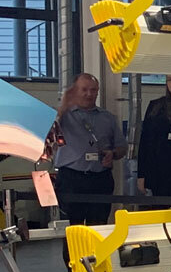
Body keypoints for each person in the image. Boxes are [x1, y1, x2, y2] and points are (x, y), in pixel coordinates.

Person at [48, 73, 124, 227]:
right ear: (75, 91)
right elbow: (48, 132)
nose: (89, 94)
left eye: (93, 90)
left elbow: (122, 147)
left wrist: (113, 154)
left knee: (98, 227)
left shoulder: (108, 118)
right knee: (71, 229)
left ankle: (96, 252)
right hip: (71, 179)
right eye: (84, 90)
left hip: (99, 180)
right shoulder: (63, 115)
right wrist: (64, 104)